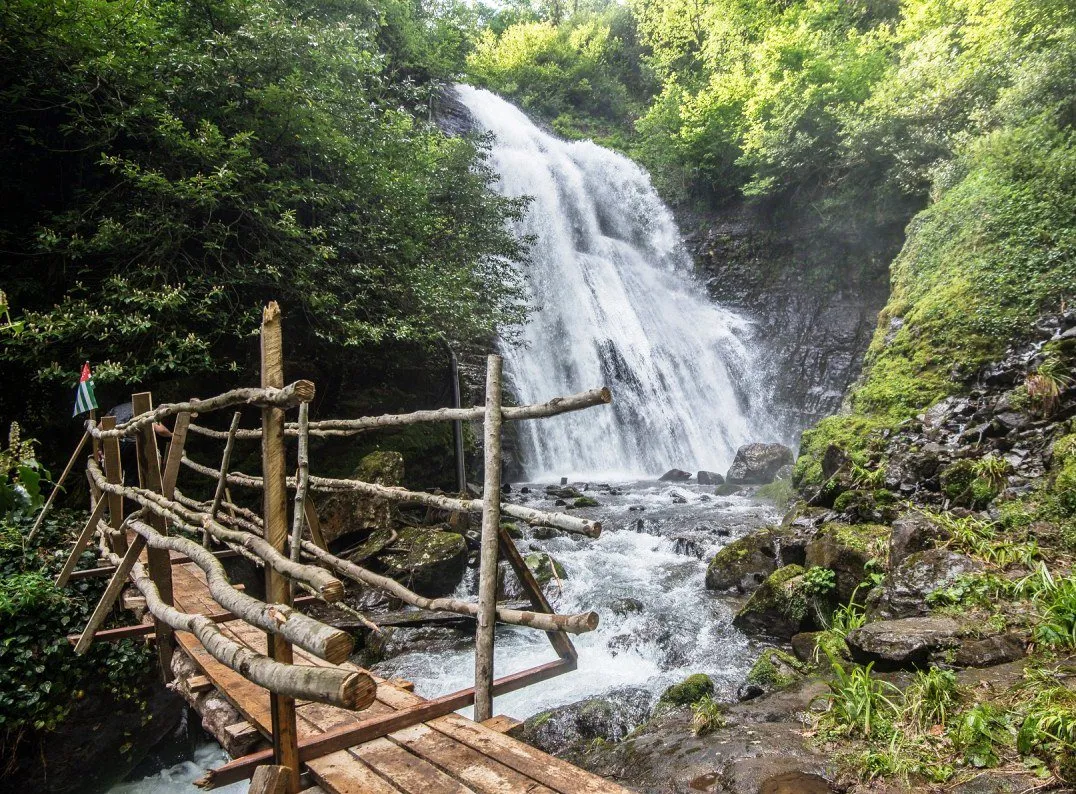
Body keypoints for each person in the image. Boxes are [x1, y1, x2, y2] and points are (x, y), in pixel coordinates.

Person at [105, 401, 173, 486]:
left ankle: (116, 494)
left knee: (115, 475)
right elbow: (160, 430)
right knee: (132, 476)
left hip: (116, 445)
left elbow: (101, 426)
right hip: (133, 446)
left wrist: (99, 448)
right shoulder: (145, 409)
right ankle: (130, 495)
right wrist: (172, 435)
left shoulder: (115, 409)